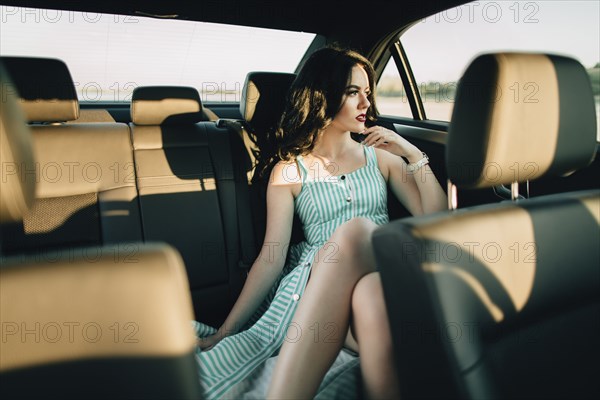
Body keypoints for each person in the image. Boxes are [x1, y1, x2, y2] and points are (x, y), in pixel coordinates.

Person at [193, 47, 447, 399]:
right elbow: (271, 258)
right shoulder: (288, 172)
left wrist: (413, 154)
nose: (365, 104)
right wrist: (225, 331)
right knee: (369, 294)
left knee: (357, 234)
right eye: (352, 92)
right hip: (324, 288)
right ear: (323, 96)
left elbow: (435, 223)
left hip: (391, 266)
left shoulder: (381, 158)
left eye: (367, 93)